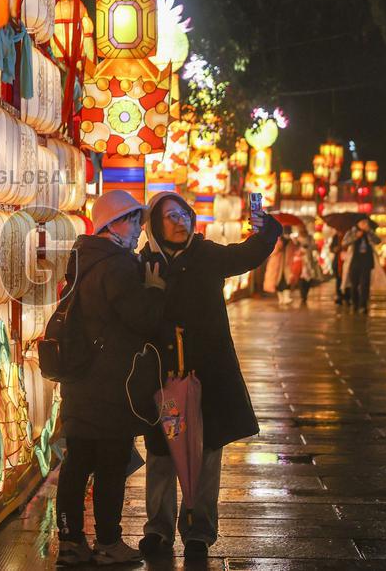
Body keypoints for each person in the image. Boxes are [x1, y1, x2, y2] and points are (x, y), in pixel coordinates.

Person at [137, 192, 281, 560]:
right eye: (170, 216)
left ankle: (199, 532)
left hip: (209, 378)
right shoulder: (146, 263)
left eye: (183, 214)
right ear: (155, 225)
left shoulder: (207, 255)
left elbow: (246, 256)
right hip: (166, 378)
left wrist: (264, 232)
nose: (180, 221)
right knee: (163, 454)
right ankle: (158, 528)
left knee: (206, 454)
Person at [56, 190, 166, 567]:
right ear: (110, 224)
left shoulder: (84, 258)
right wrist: (153, 290)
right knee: (110, 465)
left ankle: (70, 541)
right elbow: (142, 319)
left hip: (80, 381)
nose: (138, 228)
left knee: (77, 461)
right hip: (110, 384)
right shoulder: (117, 266)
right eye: (132, 219)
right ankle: (108, 541)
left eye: (138, 219)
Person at [341, 218, 383, 314]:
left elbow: (378, 241)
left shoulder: (370, 232)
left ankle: (363, 305)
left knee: (365, 284)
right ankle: (355, 303)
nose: (365, 224)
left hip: (366, 262)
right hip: (354, 262)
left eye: (366, 223)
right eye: (362, 222)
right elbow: (344, 243)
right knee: (354, 284)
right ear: (358, 223)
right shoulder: (351, 232)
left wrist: (369, 232)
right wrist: (356, 236)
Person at [264, 226, 300, 305]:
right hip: (277, 265)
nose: (287, 235)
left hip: (287, 265)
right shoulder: (277, 241)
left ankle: (286, 298)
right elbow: (272, 252)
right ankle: (281, 299)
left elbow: (294, 250)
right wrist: (280, 247)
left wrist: (297, 243)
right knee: (277, 282)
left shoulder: (290, 242)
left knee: (287, 281)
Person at [296, 232, 321, 304]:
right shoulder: (297, 239)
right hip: (300, 263)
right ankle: (303, 295)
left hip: (309, 263)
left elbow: (314, 248)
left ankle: (305, 294)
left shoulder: (310, 238)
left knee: (308, 279)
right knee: (301, 279)